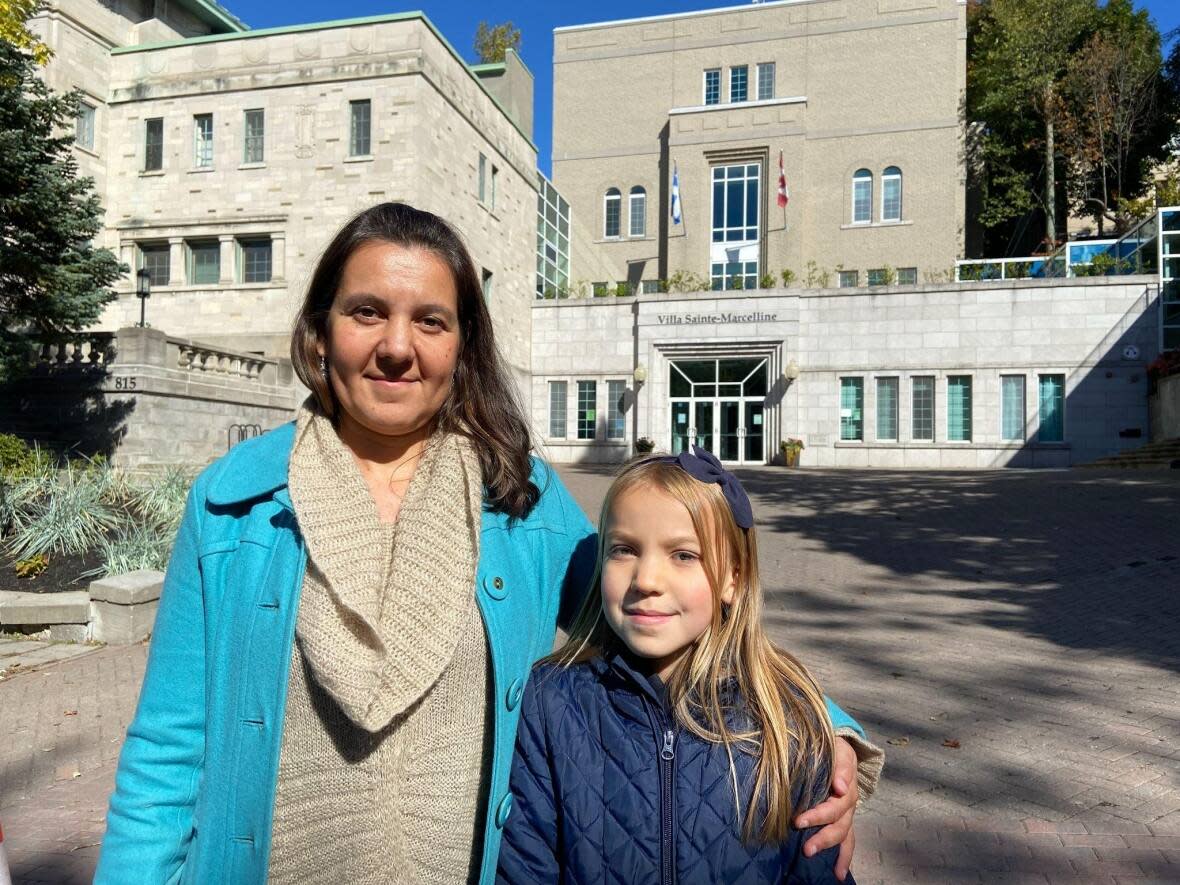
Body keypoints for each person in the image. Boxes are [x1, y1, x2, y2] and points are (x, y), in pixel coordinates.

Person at [96, 202, 877, 885]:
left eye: (430, 320)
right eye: (367, 311)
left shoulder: (520, 497)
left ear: (462, 345)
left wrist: (825, 727)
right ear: (320, 331)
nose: (398, 346)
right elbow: (167, 755)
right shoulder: (234, 504)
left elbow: (666, 617)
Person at [497, 449, 884, 883]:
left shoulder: (787, 719)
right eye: (624, 549)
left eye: (683, 555)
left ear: (733, 579)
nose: (646, 580)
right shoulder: (549, 704)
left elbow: (816, 862)